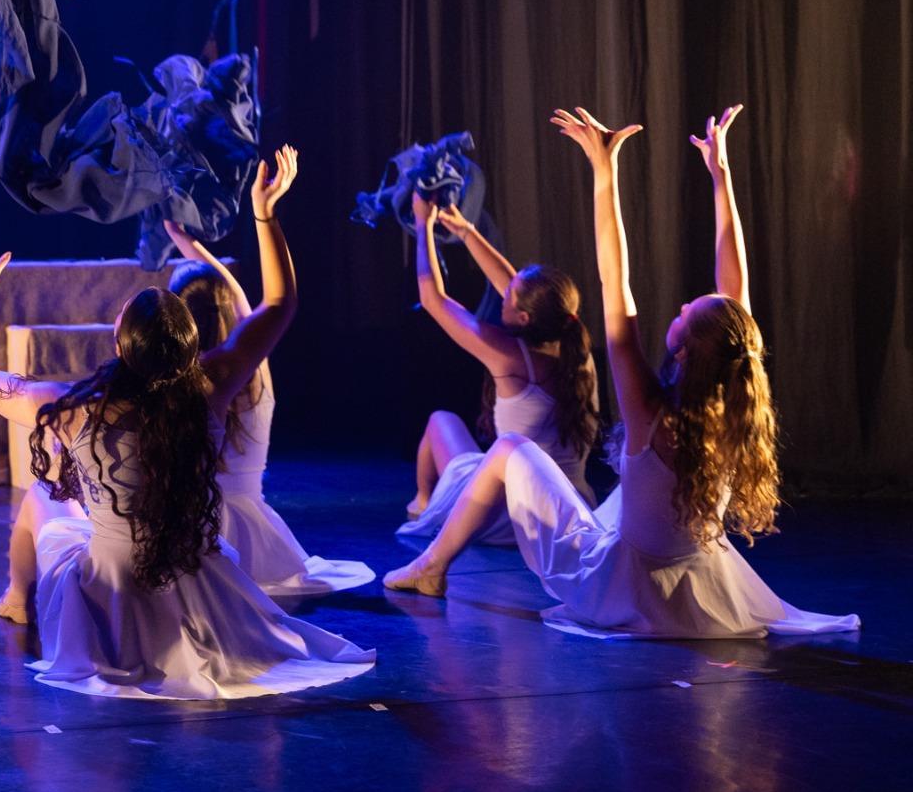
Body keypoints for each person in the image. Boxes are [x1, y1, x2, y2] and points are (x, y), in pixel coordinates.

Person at [384, 106, 861, 640]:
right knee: (619, 500)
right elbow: (734, 286)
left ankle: (431, 566)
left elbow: (616, 281)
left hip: (620, 585)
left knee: (509, 449)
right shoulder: (734, 393)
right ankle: (433, 559)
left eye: (686, 313)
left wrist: (604, 172)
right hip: (689, 569)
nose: (683, 304)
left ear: (684, 351)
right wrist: (720, 175)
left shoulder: (648, 411)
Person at [0, 146, 374, 699]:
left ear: (120, 345)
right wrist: (265, 215)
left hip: (110, 589)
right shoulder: (211, 386)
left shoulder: (74, 408)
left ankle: (17, 598)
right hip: (198, 577)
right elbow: (280, 303)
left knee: (43, 497)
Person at [161, 219, 374, 596]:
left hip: (195, 528)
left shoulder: (176, 381)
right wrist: (260, 217)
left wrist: (183, 241)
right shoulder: (252, 368)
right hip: (256, 536)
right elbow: (253, 300)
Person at [399, 193, 600, 545]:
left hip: (508, 514)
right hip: (568, 509)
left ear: (523, 317)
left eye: (509, 296)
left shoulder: (509, 357)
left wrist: (422, 225)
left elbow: (433, 300)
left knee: (440, 422)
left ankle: (423, 504)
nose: (502, 293)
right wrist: (466, 231)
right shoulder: (577, 349)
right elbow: (511, 283)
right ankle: (426, 504)